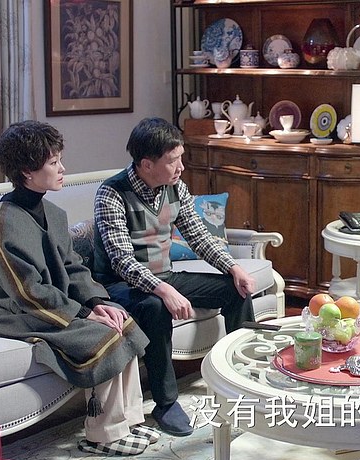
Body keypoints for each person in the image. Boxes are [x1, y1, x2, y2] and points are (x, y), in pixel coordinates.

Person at [0, 120, 158, 456]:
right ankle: (104, 435)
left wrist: (97, 302)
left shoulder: (52, 213)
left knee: (121, 320)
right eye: (54, 162)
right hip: (13, 314)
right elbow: (27, 292)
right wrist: (83, 314)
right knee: (103, 337)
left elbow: (73, 266)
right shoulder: (3, 224)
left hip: (47, 304)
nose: (62, 168)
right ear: (27, 171)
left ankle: (127, 421)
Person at [92, 117, 256, 436]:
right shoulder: (111, 193)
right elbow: (122, 262)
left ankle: (241, 376)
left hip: (163, 276)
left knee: (236, 290)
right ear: (146, 164)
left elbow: (199, 236)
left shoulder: (175, 187)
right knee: (156, 307)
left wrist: (233, 268)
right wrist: (165, 291)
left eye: (181, 157)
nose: (181, 166)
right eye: (173, 160)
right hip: (119, 285)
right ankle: (165, 403)